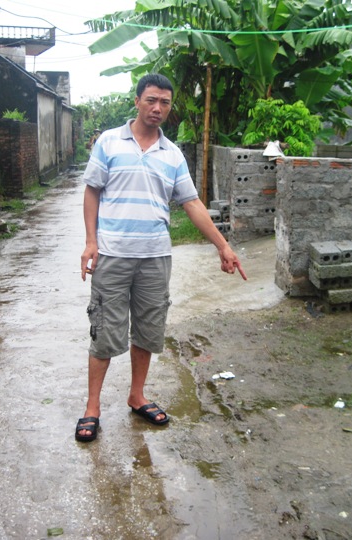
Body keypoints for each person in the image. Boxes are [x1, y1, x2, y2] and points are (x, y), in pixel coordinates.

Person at [76, 73, 247, 442]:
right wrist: (90, 241)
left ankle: (137, 396)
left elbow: (192, 203)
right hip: (112, 255)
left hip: (155, 257)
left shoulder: (172, 155)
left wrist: (222, 245)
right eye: (151, 100)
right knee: (104, 330)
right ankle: (92, 406)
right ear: (137, 101)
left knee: (148, 329)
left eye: (165, 103)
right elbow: (92, 191)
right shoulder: (109, 142)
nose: (157, 108)